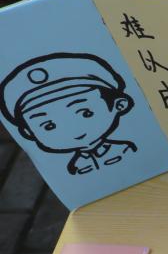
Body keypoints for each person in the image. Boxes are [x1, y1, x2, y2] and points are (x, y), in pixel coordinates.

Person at [0, 52, 136, 175]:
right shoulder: (76, 167)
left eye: (86, 113)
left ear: (119, 105)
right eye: (49, 126)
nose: (72, 129)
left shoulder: (126, 150)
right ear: (28, 132)